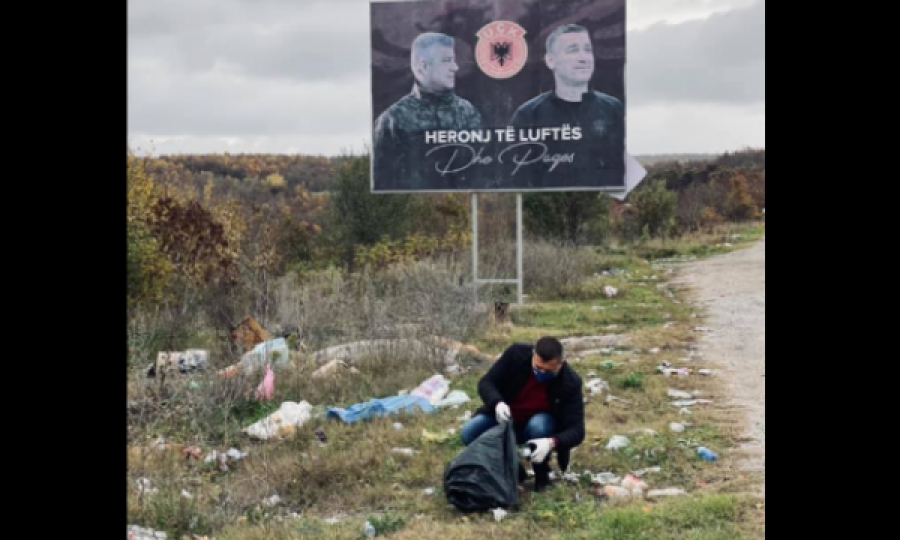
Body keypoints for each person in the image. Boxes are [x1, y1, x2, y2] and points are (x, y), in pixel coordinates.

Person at [460, 337, 585, 492]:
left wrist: (552, 442)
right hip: (505, 418)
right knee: (469, 433)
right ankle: (511, 468)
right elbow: (487, 382)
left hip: (538, 428)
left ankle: (542, 475)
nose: (542, 373)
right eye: (538, 368)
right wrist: (497, 403)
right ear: (533, 356)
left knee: (540, 424)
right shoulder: (516, 355)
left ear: (561, 364)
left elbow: (578, 430)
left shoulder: (570, 383)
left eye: (548, 371)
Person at [508, 24, 624, 188]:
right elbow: (517, 175)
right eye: (573, 50)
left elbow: (622, 170)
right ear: (550, 61)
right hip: (544, 208)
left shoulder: (613, 109)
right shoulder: (528, 115)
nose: (583, 57)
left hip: (598, 207)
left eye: (587, 50)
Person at [373, 32, 483, 190]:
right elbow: (383, 181)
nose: (455, 67)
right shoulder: (392, 120)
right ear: (423, 66)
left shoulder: (468, 112)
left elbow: (480, 172)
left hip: (462, 205)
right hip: (415, 208)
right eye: (446, 61)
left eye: (453, 60)